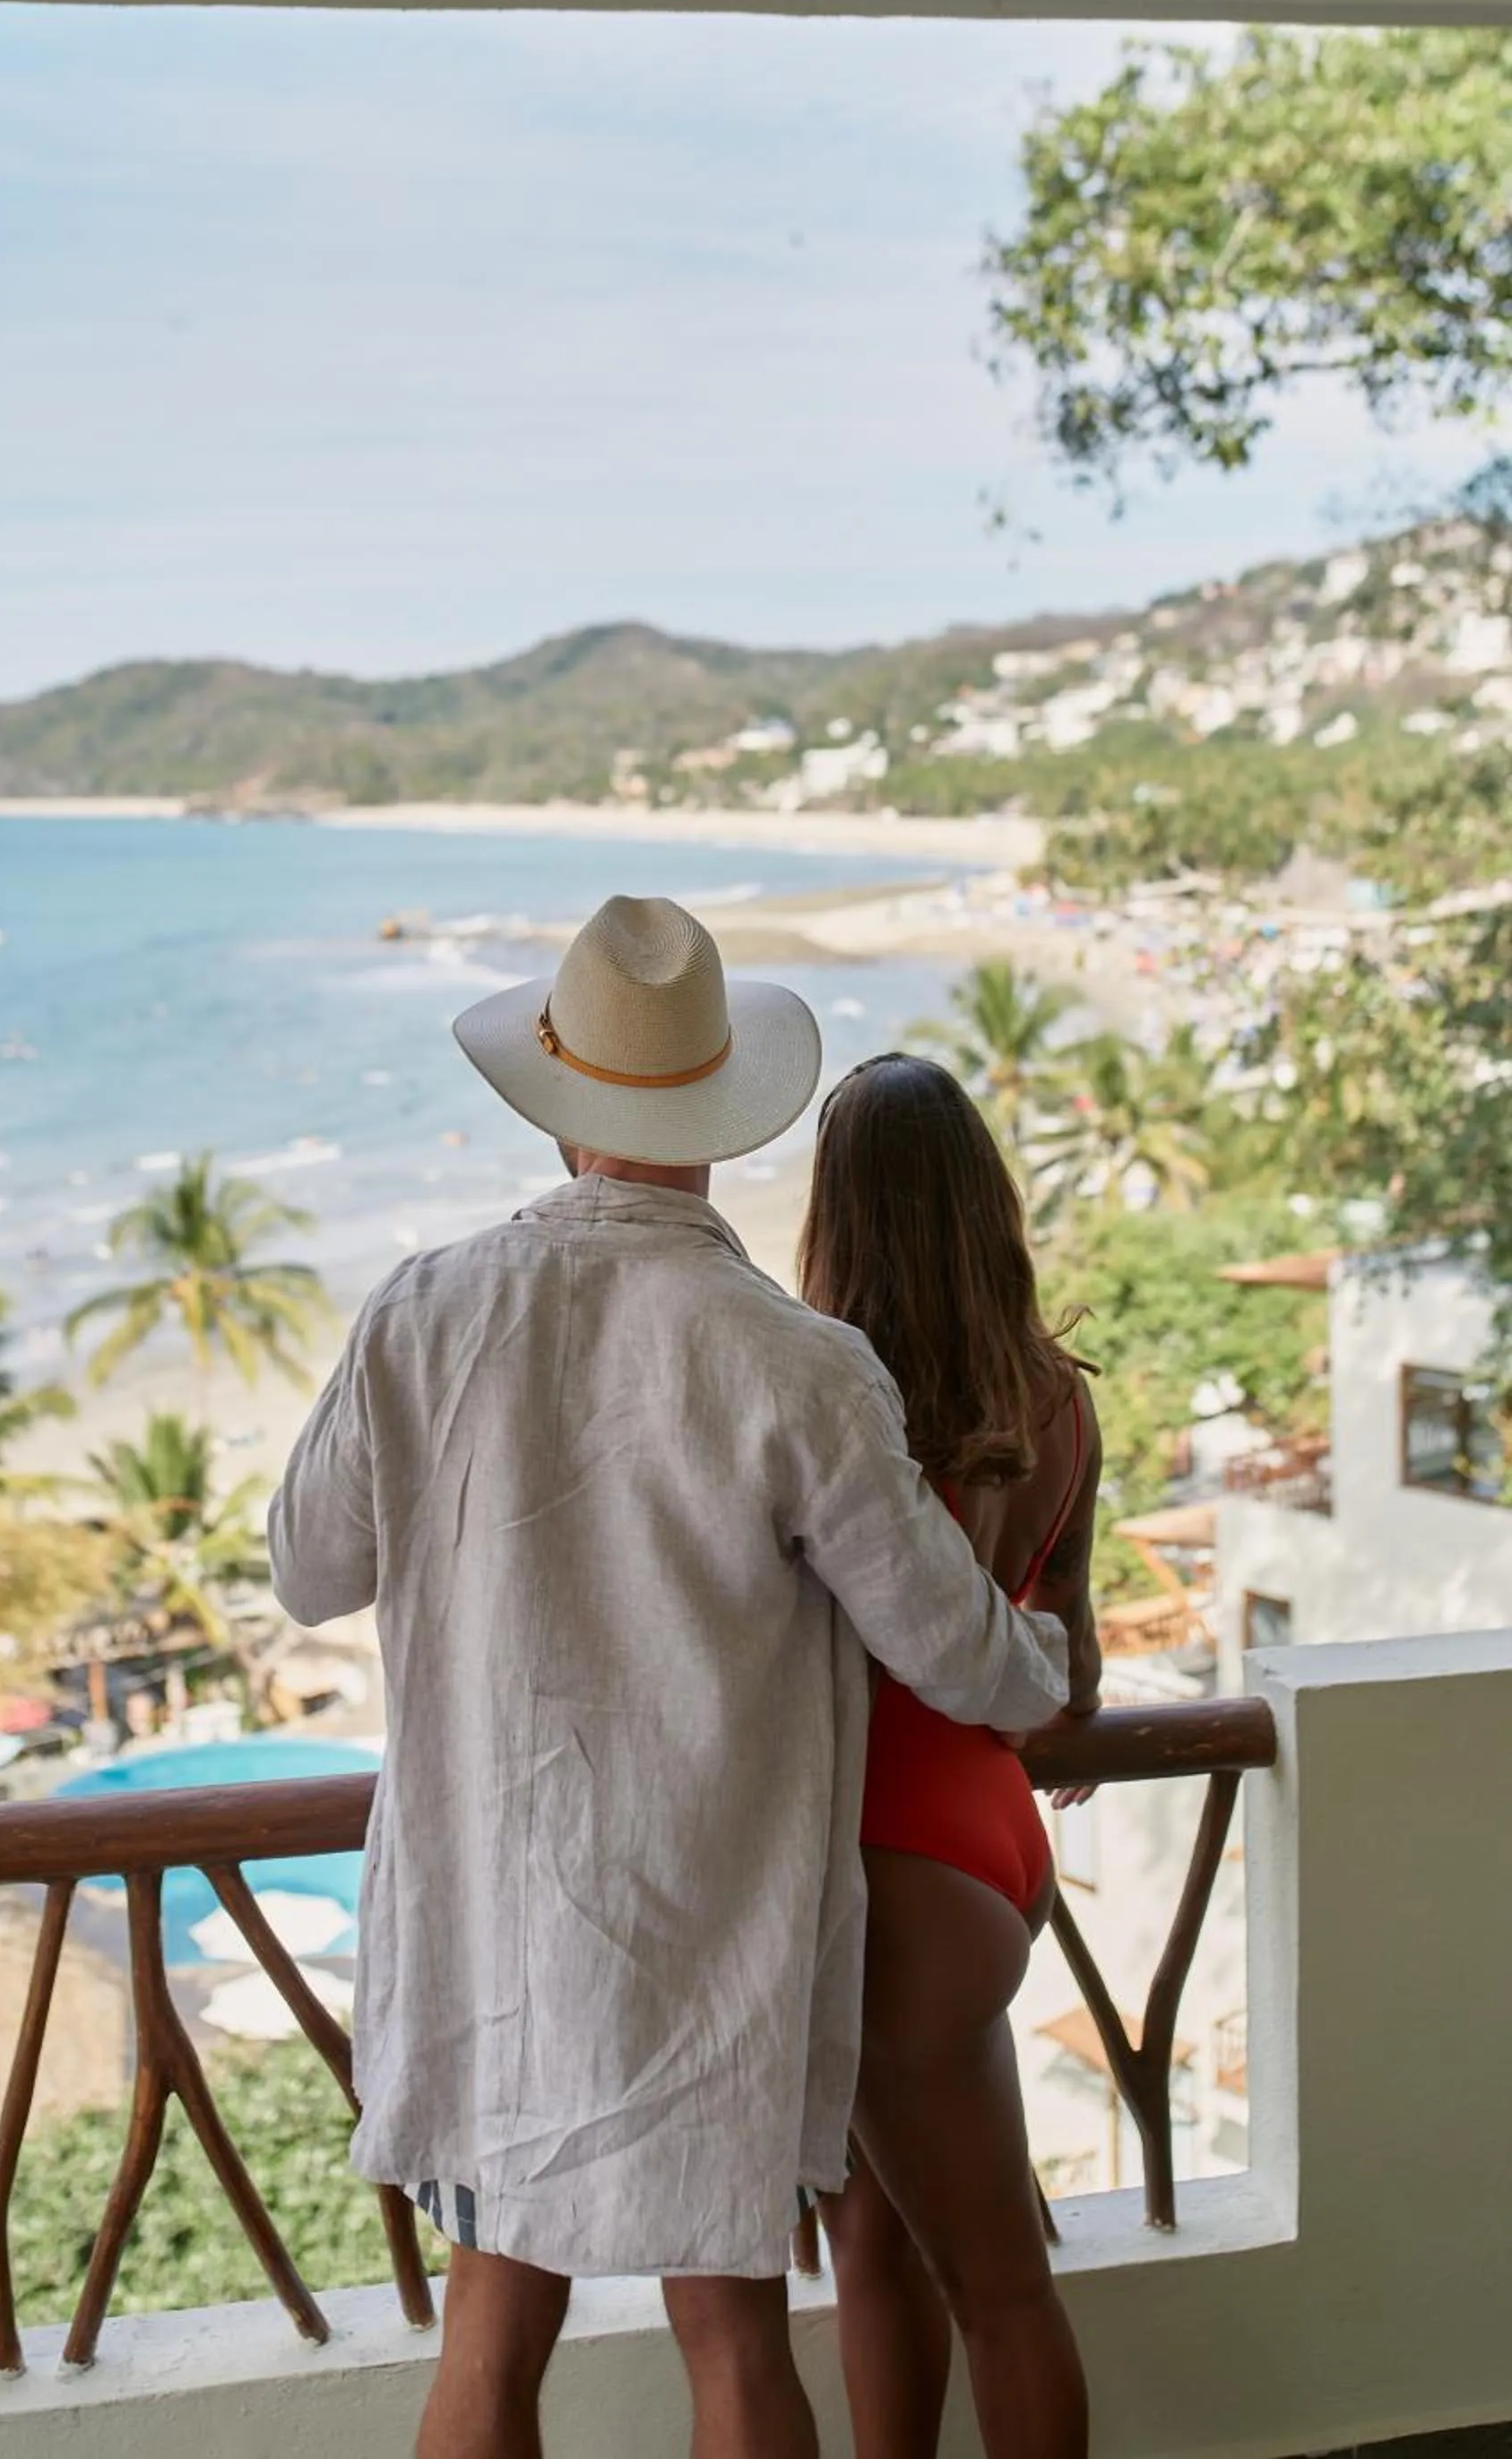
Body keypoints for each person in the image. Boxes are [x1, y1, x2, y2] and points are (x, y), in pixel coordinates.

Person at [270, 900, 1068, 2459]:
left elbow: (310, 1571)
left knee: (490, 2346)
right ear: (718, 1109)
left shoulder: (422, 1312)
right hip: (709, 1943)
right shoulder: (792, 1361)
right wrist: (1054, 1667)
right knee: (737, 2348)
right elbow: (951, 1647)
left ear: (561, 1106)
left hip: (488, 1928)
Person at [798, 1052, 1101, 2459]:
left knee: (993, 2287)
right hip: (990, 1841)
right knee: (898, 2255)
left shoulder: (839, 1407)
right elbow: (1068, 1676)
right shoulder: (1056, 1398)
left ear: (839, 1214)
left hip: (884, 1866)